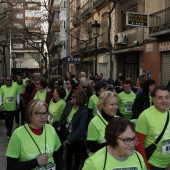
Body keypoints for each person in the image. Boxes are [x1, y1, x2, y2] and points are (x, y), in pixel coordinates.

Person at [6, 99, 62, 170]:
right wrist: (35, 162)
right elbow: (11, 167)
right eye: (38, 113)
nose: (42, 117)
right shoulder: (18, 134)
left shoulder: (51, 129)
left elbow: (58, 157)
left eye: (45, 113)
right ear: (29, 115)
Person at [135, 85, 170, 169]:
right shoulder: (145, 116)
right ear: (153, 99)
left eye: (167, 97)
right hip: (153, 164)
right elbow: (138, 143)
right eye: (160, 98)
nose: (164, 101)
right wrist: (145, 165)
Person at [57, 90, 88, 170]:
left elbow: (81, 128)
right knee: (68, 155)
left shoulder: (84, 111)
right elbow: (63, 115)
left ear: (79, 99)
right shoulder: (68, 104)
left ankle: (76, 166)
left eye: (73, 97)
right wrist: (60, 125)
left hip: (77, 137)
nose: (71, 98)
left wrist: (70, 139)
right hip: (67, 134)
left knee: (77, 154)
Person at [86, 91, 119, 155]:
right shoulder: (94, 122)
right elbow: (92, 148)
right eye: (112, 104)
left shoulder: (119, 120)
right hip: (99, 160)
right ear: (103, 106)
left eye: (116, 104)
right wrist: (114, 142)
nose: (115, 107)